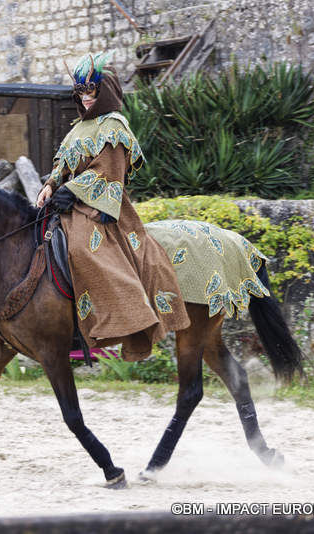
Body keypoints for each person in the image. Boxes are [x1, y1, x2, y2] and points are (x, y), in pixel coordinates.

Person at [37, 52, 190, 361]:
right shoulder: (78, 128)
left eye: (91, 89)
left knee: (81, 249)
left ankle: (120, 323)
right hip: (68, 202)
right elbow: (62, 165)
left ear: (104, 89)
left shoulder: (114, 125)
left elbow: (109, 170)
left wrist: (74, 192)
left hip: (101, 206)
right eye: (81, 91)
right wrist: (50, 186)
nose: (87, 97)